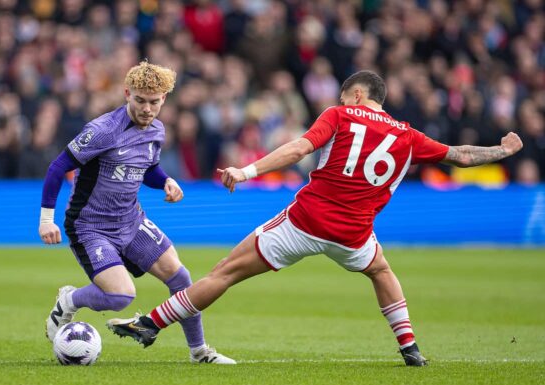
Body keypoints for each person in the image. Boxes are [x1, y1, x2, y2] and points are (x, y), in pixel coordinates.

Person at [106, 70, 524, 366]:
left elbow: (297, 150)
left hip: (305, 222)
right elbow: (462, 156)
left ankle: (150, 323)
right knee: (381, 270)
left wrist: (247, 171)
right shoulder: (409, 136)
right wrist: (502, 151)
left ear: (356, 95)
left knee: (225, 272)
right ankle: (409, 347)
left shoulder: (340, 115)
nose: (342, 102)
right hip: (354, 234)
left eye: (345, 97)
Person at [39, 61, 235, 364]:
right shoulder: (103, 131)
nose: (147, 109)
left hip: (131, 220)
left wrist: (166, 181)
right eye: (140, 100)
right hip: (91, 225)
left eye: (154, 102)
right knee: (120, 297)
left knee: (181, 277)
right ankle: (69, 299)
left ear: (164, 98)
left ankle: (199, 352)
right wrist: (46, 220)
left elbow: (148, 169)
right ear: (127, 94)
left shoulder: (156, 130)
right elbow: (57, 167)